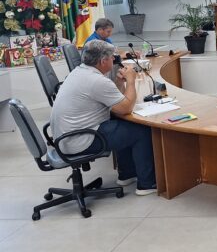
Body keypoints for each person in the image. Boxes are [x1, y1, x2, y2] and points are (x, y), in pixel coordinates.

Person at [50, 40, 156, 195]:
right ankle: (147, 184)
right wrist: (131, 81)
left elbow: (117, 103)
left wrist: (119, 82)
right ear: (103, 61)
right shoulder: (96, 81)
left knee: (120, 123)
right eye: (112, 57)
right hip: (79, 140)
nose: (114, 59)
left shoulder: (80, 71)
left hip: (66, 138)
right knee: (141, 131)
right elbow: (126, 108)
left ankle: (127, 175)